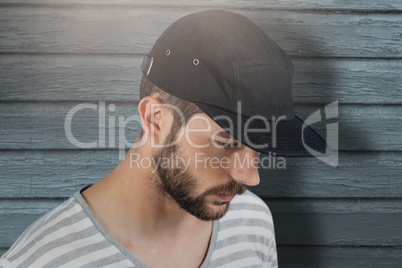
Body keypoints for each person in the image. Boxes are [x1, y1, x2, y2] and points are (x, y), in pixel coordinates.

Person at [0, 10, 329, 268]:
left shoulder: (252, 223)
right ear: (156, 120)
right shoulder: (42, 262)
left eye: (261, 145)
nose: (251, 177)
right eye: (227, 142)